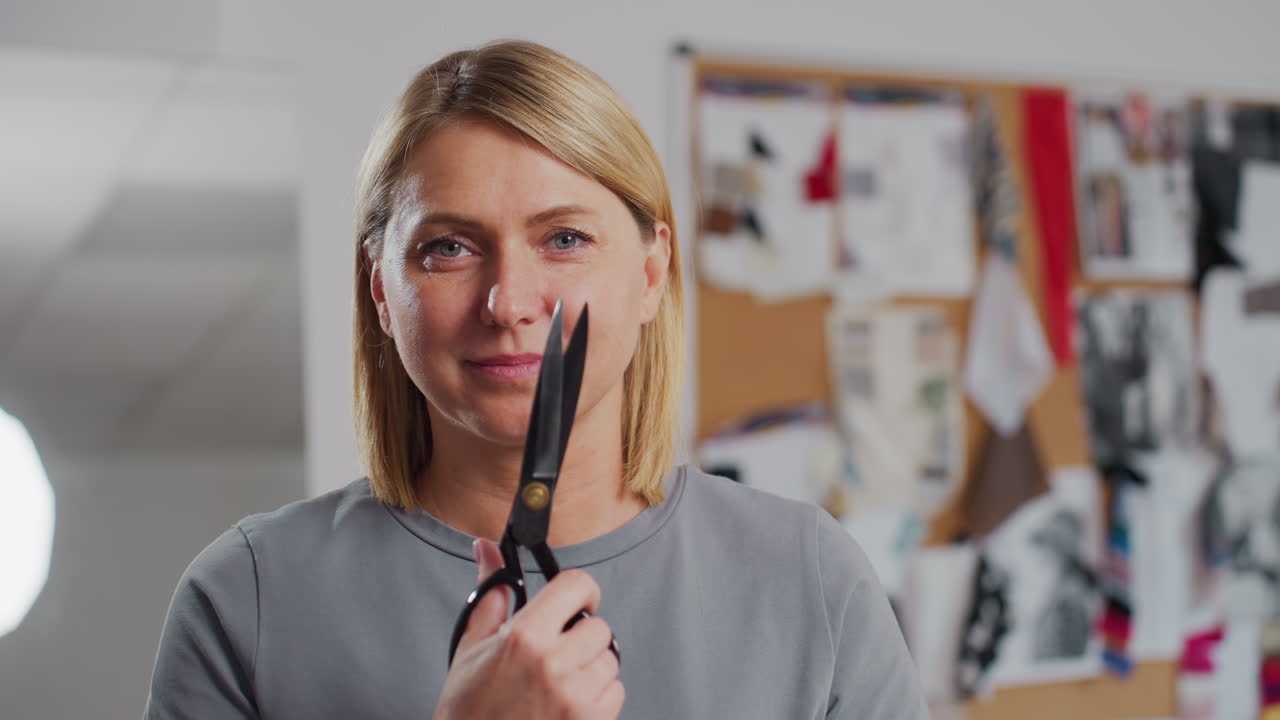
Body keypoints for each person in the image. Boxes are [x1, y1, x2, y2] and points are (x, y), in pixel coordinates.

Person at [145, 39, 926, 719]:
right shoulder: (247, 598)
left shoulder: (809, 579)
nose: (510, 303)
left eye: (564, 238)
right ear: (381, 291)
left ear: (653, 272)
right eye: (448, 247)